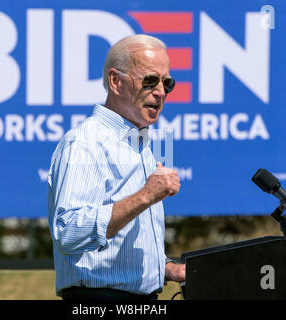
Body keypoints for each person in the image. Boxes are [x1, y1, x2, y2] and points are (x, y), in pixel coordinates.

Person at [47, 34, 185, 301]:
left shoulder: (141, 142)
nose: (160, 92)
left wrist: (166, 268)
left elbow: (119, 246)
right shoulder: (85, 143)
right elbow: (67, 231)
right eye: (149, 80)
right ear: (115, 81)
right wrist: (146, 195)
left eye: (167, 83)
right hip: (98, 299)